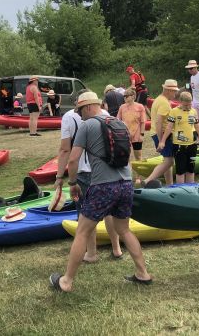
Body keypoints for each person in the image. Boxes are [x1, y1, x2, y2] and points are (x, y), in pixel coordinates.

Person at [49, 91, 151, 292]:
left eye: (80, 111)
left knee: (82, 231)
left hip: (103, 186)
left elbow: (72, 159)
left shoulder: (87, 125)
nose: (79, 115)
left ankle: (66, 281)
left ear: (87, 107)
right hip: (125, 183)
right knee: (124, 229)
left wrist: (72, 183)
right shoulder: (118, 122)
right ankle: (143, 273)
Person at [54, 90, 123, 261]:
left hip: (84, 171)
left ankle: (91, 253)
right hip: (106, 169)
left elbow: (65, 149)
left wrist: (60, 176)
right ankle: (116, 249)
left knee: (87, 214)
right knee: (108, 211)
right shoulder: (105, 114)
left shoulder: (69, 117)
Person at [159, 92, 199, 183]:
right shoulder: (174, 111)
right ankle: (181, 190)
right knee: (180, 171)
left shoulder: (193, 111)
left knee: (191, 169)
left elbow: (197, 127)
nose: (188, 107)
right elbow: (169, 127)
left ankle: (190, 190)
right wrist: (162, 141)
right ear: (180, 101)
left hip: (192, 146)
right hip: (179, 146)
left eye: (190, 104)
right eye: (186, 105)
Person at [142, 80, 180, 186]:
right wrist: (161, 140)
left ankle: (169, 185)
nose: (175, 93)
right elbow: (159, 120)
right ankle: (147, 181)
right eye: (173, 91)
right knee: (169, 162)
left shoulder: (159, 99)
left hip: (156, 133)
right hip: (162, 134)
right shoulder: (164, 102)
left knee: (167, 160)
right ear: (167, 90)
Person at [117, 87, 147, 162]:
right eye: (124, 96)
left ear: (133, 96)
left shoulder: (140, 106)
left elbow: (143, 122)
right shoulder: (122, 107)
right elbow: (118, 120)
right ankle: (128, 173)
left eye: (126, 96)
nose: (125, 98)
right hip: (125, 136)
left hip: (137, 135)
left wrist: (142, 135)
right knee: (126, 156)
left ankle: (139, 174)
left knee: (138, 156)